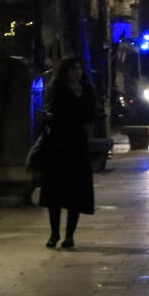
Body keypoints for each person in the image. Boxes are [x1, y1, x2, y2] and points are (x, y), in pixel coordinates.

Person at [38, 55, 96, 249]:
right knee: (55, 191)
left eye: (79, 69)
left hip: (78, 145)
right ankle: (54, 233)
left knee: (76, 192)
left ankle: (70, 235)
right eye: (73, 69)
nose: (77, 72)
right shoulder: (58, 90)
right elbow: (51, 113)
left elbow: (91, 115)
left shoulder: (87, 90)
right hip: (58, 144)